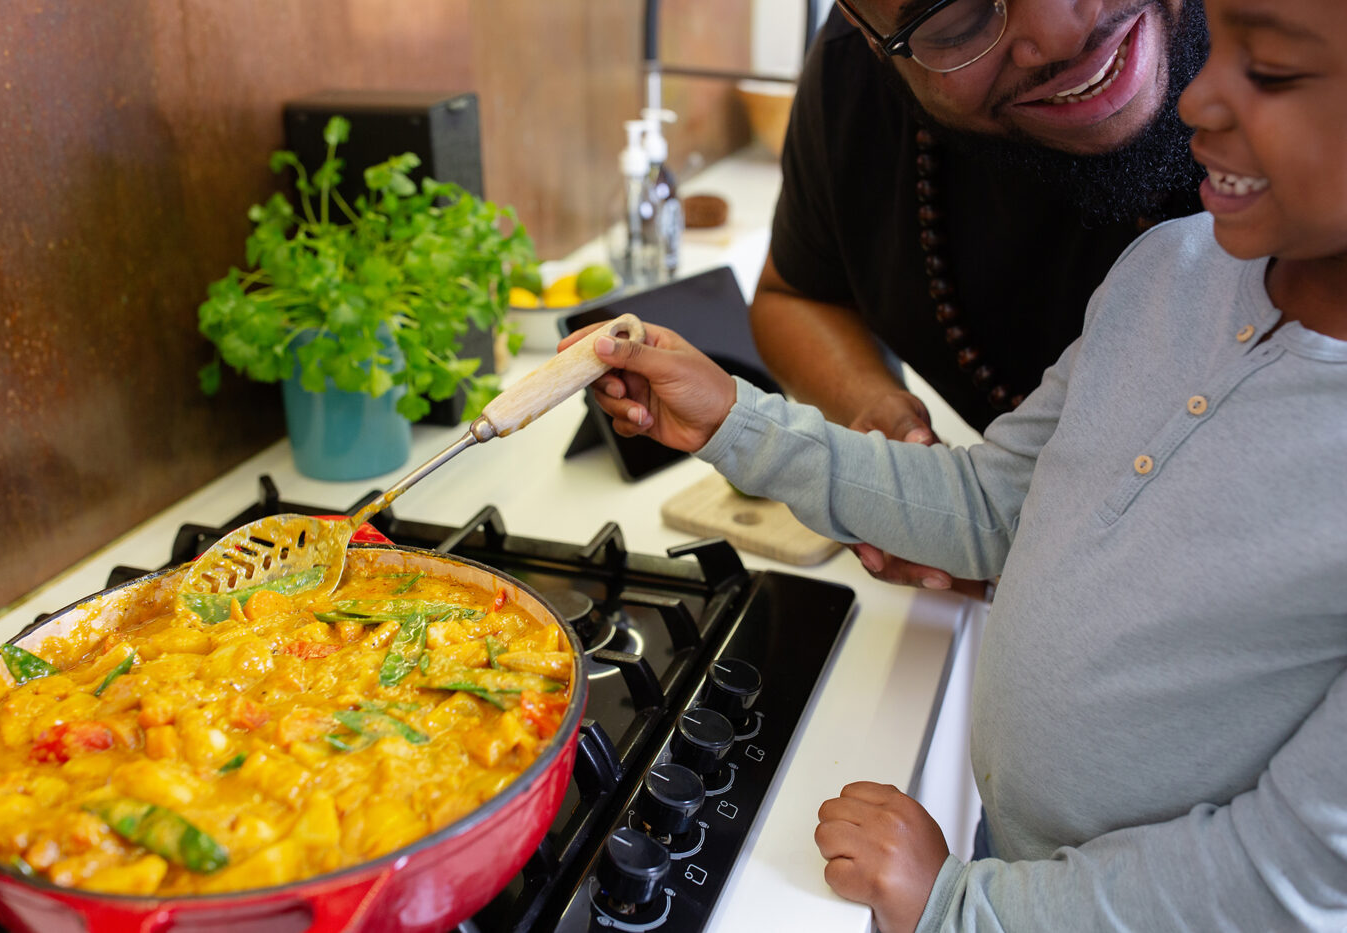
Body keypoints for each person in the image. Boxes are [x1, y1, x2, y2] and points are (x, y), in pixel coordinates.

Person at [561, 0, 1347, 926]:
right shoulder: (1169, 270)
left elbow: (1288, 875)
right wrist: (734, 421)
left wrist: (958, 908)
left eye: (1272, 70)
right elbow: (991, 504)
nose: (1199, 92)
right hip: (1014, 864)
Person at [756, 0, 1209, 591]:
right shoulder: (858, 84)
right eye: (958, 19)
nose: (1059, 35)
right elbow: (796, 296)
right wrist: (889, 436)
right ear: (869, 33)